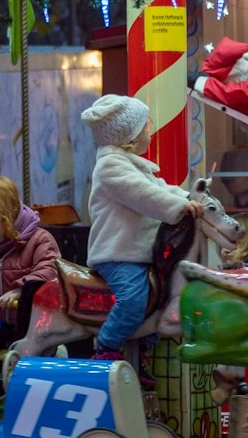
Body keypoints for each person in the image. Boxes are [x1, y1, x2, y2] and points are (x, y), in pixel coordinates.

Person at [82, 94, 202, 380]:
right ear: (130, 136)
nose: (150, 130)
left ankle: (142, 350)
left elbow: (160, 187)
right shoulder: (111, 167)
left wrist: (188, 196)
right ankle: (106, 348)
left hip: (139, 253)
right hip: (117, 253)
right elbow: (143, 194)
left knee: (164, 296)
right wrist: (179, 207)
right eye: (146, 126)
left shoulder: (132, 163)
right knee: (133, 298)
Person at [0, 175, 63, 356]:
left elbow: (50, 270)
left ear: (9, 216)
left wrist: (21, 289)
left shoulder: (39, 240)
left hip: (33, 324)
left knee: (29, 358)